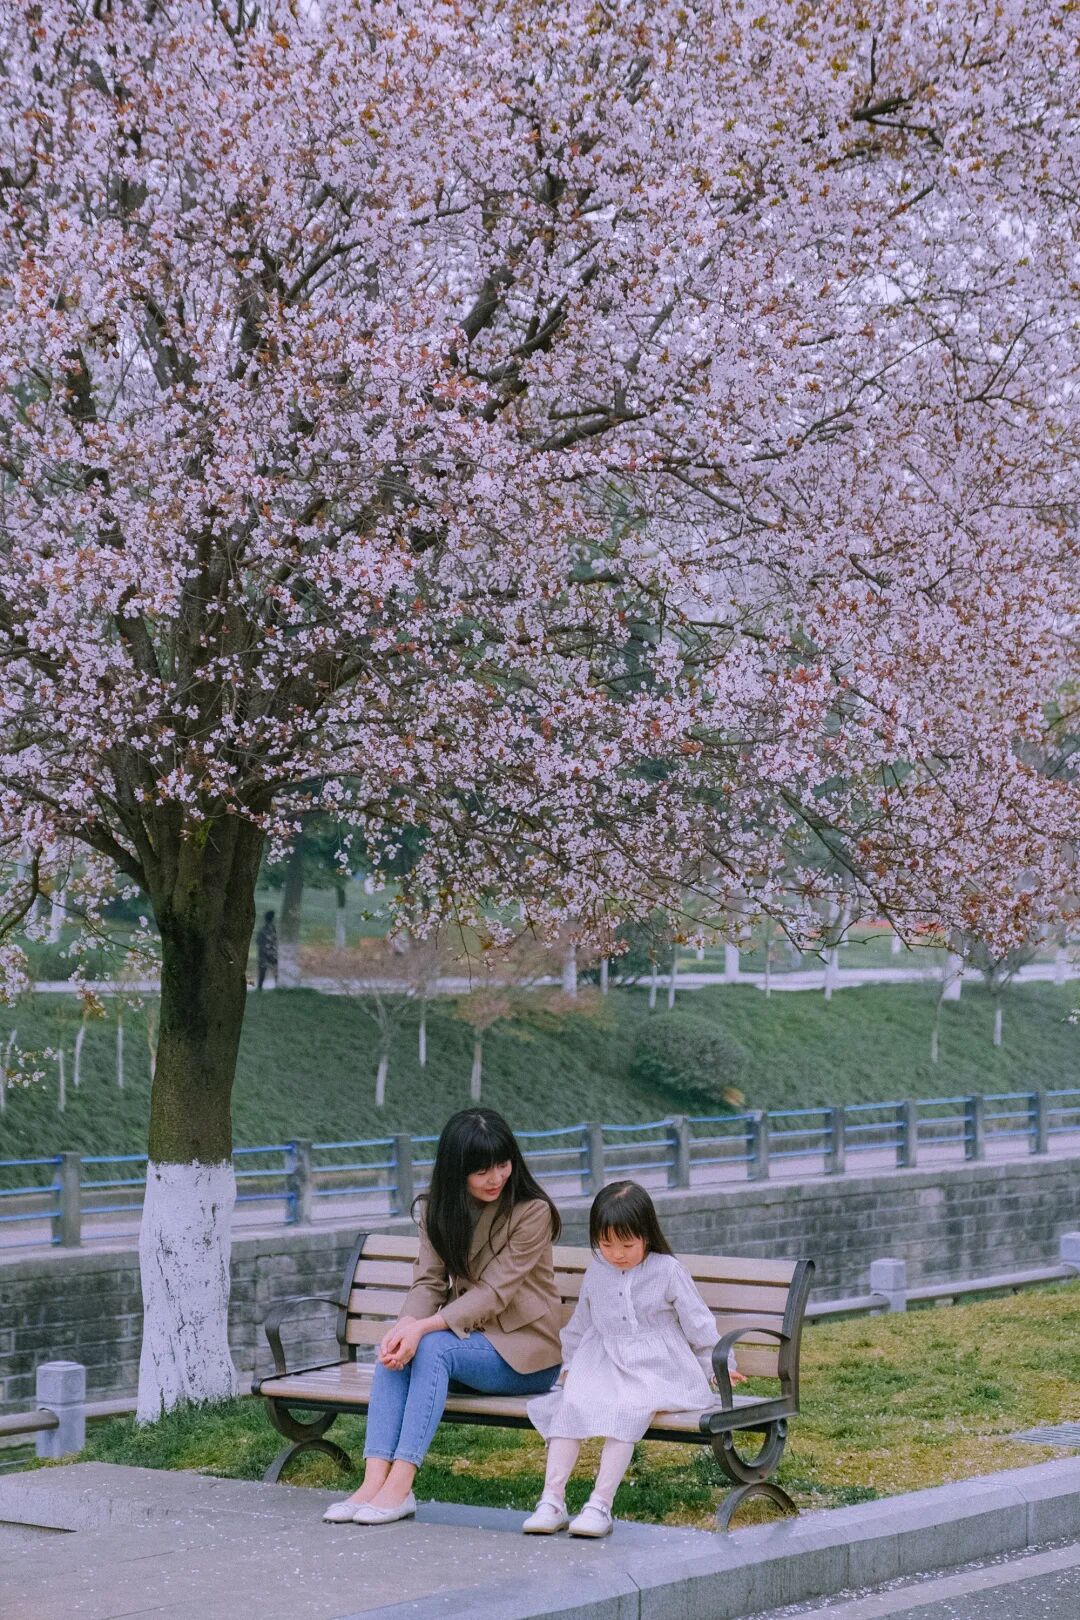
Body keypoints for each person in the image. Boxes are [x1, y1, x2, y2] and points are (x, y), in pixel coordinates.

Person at [322, 1107, 563, 1526]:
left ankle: (401, 1486)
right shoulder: (437, 1208)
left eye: (502, 1165)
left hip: (526, 1356)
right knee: (399, 1347)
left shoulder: (531, 1211)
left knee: (428, 1344)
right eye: (481, 1170)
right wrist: (403, 1329)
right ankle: (372, 1481)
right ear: (456, 1169)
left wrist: (423, 1328)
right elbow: (429, 1284)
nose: (495, 1178)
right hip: (466, 1345)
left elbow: (494, 1292)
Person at [523, 1180, 745, 1539]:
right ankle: (552, 1500)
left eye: (627, 1244)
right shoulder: (597, 1271)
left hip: (660, 1370)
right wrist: (568, 1367)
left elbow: (698, 1323)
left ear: (646, 1234)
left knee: (628, 1410)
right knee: (569, 1405)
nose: (617, 1254)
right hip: (606, 1362)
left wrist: (719, 1366)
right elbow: (581, 1325)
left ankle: (600, 1504)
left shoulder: (667, 1270)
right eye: (606, 1244)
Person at [255, 910, 278, 990]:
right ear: (272, 919)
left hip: (264, 954)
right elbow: (275, 941)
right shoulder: (273, 929)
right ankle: (277, 987)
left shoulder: (263, 930)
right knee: (275, 972)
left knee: (262, 973)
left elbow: (258, 941)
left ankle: (259, 989)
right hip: (272, 954)